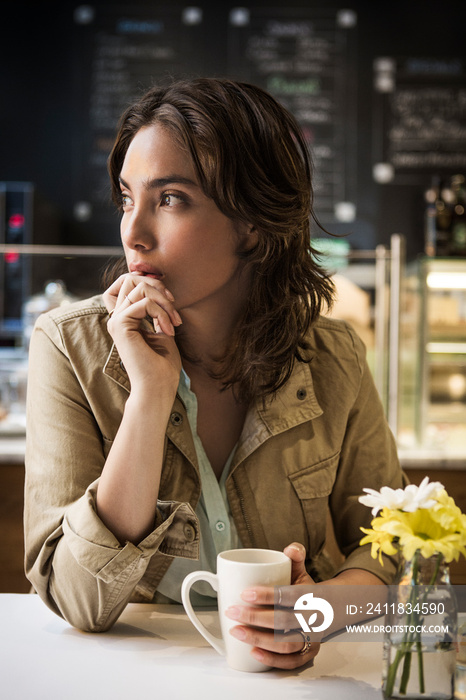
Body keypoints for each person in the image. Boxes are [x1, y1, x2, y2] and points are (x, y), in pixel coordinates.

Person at [24, 78, 404, 670]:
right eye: (127, 198)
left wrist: (316, 611)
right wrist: (149, 395)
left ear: (252, 223)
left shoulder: (334, 356)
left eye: (170, 198)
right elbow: (78, 600)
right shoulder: (68, 345)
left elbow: (389, 540)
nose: (133, 231)